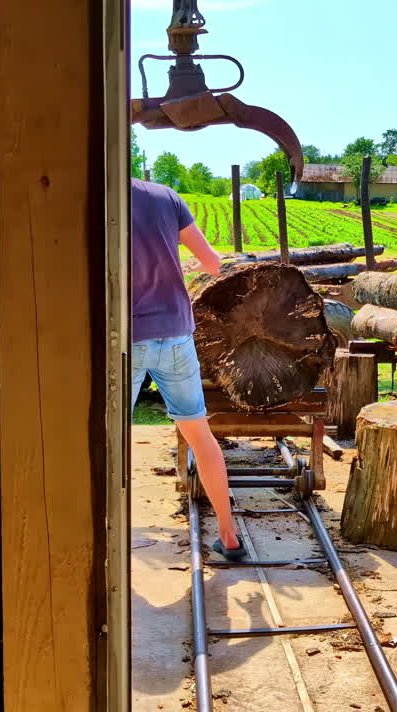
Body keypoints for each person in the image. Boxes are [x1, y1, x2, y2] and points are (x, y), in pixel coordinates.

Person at [130, 177, 245, 560]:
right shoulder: (166, 196)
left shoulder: (101, 194)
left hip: (128, 337)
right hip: (177, 333)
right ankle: (229, 536)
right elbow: (214, 264)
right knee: (200, 435)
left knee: (109, 443)